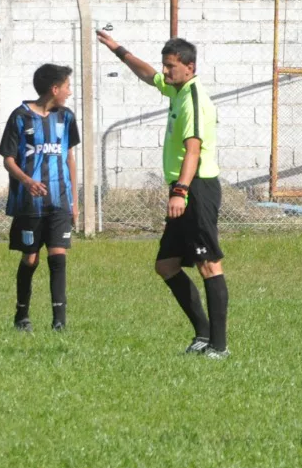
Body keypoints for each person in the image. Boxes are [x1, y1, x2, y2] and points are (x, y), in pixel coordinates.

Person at [97, 30, 235, 355]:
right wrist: (119, 49)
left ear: (190, 66)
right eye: (165, 65)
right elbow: (148, 75)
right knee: (166, 265)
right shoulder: (177, 90)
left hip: (196, 188)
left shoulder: (194, 100)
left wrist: (181, 191)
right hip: (183, 188)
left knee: (209, 264)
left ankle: (219, 346)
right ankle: (202, 334)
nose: (166, 71)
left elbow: (194, 150)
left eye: (171, 66)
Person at [0, 64, 80, 332]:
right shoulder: (20, 118)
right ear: (54, 89)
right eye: (67, 86)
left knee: (58, 256)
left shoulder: (65, 117)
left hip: (60, 201)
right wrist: (27, 181)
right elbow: (8, 159)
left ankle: (60, 322)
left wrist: (75, 201)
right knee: (30, 258)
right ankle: (21, 316)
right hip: (29, 204)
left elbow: (69, 157)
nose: (69, 92)